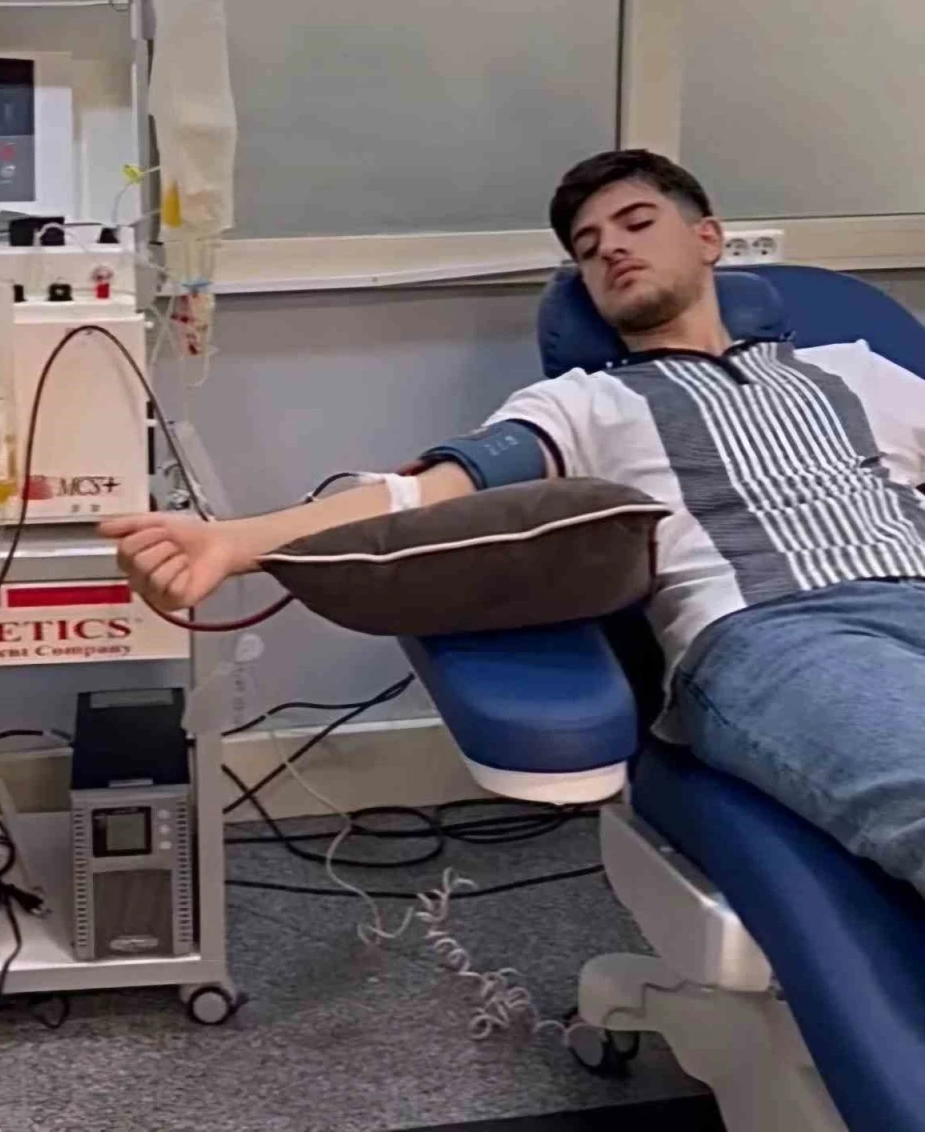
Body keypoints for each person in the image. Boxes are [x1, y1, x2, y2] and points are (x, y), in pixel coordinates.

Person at [102, 149, 925, 894]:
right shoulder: (585, 402)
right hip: (776, 635)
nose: (611, 249)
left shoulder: (853, 369)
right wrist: (233, 543)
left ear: (708, 237)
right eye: (589, 247)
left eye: (636, 223)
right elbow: (423, 496)